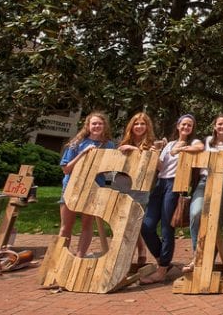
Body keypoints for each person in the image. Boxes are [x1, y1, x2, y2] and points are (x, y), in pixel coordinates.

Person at [140, 114, 202, 284]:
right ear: (178, 126)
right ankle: (163, 261)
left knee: (167, 228)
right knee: (146, 226)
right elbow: (161, 167)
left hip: (176, 185)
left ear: (192, 128)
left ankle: (161, 271)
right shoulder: (169, 145)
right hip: (161, 183)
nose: (186, 128)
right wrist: (155, 154)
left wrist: (180, 149)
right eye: (183, 124)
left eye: (189, 125)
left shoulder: (193, 142)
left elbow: (200, 148)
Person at [59, 111, 115, 258]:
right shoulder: (76, 144)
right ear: (88, 126)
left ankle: (79, 256)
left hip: (94, 189)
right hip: (72, 188)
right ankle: (61, 256)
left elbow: (109, 171)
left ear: (105, 126)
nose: (97, 126)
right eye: (94, 123)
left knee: (87, 225)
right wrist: (83, 153)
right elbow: (66, 169)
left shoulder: (109, 145)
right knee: (66, 227)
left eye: (100, 123)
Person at [183, 113, 223, 274]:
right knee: (196, 213)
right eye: (220, 124)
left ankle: (210, 257)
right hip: (204, 181)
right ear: (214, 126)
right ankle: (198, 254)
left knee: (215, 222)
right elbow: (194, 150)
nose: (222, 127)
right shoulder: (206, 142)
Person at [116, 112, 158, 266]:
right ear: (131, 126)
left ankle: (127, 258)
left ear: (148, 127)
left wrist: (133, 149)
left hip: (140, 188)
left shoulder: (151, 145)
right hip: (121, 185)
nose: (139, 127)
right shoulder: (123, 143)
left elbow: (153, 166)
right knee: (125, 222)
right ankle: (140, 249)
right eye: (136, 123)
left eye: (143, 124)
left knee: (135, 221)